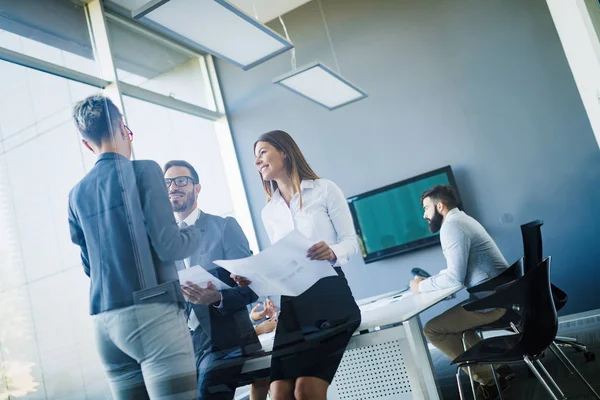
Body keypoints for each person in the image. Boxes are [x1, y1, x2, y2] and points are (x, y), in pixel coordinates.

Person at [68, 95, 199, 399]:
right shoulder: (144, 171)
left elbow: (89, 266)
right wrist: (196, 233)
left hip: (105, 322)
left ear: (88, 144)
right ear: (122, 129)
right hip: (152, 313)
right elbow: (169, 246)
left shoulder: (76, 194)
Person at [236, 130, 361, 400]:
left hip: (331, 296)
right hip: (293, 304)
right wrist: (254, 278)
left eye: (263, 152)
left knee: (305, 389)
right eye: (254, 157)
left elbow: (351, 241)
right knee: (279, 392)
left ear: (284, 151)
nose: (257, 160)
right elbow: (280, 263)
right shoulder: (269, 211)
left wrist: (332, 251)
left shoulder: (324, 189)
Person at [164, 160, 261, 400]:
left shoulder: (224, 227)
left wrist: (217, 297)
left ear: (197, 188)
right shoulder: (163, 243)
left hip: (225, 340)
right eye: (167, 182)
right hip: (183, 346)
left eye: (181, 181)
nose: (173, 187)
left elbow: (253, 287)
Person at [411, 184, 513, 400]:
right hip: (501, 295)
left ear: (440, 206)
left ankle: (489, 380)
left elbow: (454, 278)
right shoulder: (462, 219)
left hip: (493, 301)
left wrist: (420, 286)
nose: (424, 215)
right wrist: (432, 281)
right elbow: (456, 272)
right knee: (457, 327)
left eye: (426, 209)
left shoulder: (452, 226)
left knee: (432, 330)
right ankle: (499, 369)